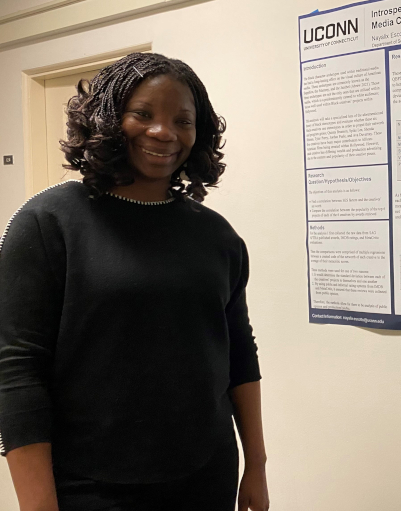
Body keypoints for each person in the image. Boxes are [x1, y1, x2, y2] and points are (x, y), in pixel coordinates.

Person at [0, 53, 270, 511]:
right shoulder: (49, 222)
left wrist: (257, 467)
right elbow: (17, 370)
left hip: (205, 476)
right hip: (90, 485)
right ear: (107, 118)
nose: (163, 132)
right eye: (142, 114)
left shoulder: (216, 235)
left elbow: (239, 353)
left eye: (182, 120)